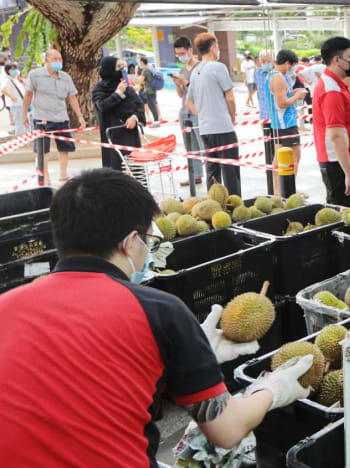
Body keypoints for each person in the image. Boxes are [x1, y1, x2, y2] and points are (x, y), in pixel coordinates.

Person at [0, 168, 314, 466]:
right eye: (150, 241)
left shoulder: (6, 306)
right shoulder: (158, 310)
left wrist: (182, 362)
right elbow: (227, 429)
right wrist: (272, 390)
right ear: (130, 242)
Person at [186, 33, 241, 196]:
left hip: (206, 129)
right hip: (223, 127)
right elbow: (230, 98)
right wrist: (232, 116)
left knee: (212, 171)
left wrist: (202, 114)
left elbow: (188, 102)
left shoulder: (196, 71)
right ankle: (234, 205)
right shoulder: (218, 67)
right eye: (216, 46)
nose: (218, 50)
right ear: (212, 48)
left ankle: (214, 205)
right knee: (230, 171)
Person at [22, 48, 85, 184]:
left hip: (62, 118)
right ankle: (45, 175)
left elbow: (72, 98)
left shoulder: (65, 77)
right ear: (46, 60)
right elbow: (28, 95)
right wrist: (24, 115)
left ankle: (63, 174)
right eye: (54, 59)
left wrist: (80, 116)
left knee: (64, 147)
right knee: (42, 150)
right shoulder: (35, 75)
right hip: (42, 119)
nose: (58, 61)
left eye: (60, 59)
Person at [313, 36, 350, 206]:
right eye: (349, 58)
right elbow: (335, 136)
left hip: (343, 159)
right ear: (337, 60)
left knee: (343, 212)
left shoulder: (336, 84)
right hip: (337, 163)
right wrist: (348, 174)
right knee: (340, 215)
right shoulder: (331, 90)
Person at [92, 57, 145, 172]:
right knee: (115, 170)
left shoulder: (127, 87)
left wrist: (135, 117)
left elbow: (139, 105)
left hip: (130, 135)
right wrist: (117, 94)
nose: (121, 70)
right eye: (118, 67)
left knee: (135, 169)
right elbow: (102, 106)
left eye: (122, 67)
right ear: (109, 69)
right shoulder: (99, 88)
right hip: (112, 134)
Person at [269, 50, 308, 194]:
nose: (293, 69)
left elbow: (281, 98)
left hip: (281, 123)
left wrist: (292, 93)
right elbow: (281, 103)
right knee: (294, 156)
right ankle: (288, 189)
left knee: (279, 158)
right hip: (285, 123)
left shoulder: (274, 76)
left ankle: (280, 190)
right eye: (292, 66)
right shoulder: (278, 78)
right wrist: (297, 96)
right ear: (287, 63)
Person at [171, 37, 204, 187]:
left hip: (197, 111)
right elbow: (180, 94)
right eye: (177, 54)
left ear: (190, 50)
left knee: (203, 143)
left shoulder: (200, 68)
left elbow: (200, 91)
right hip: (184, 111)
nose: (180, 57)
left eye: (182, 53)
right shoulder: (182, 70)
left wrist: (186, 83)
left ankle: (211, 172)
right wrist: (178, 85)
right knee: (190, 146)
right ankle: (195, 175)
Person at [1, 63, 26, 135]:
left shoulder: (15, 79)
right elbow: (2, 89)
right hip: (17, 105)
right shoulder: (8, 80)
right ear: (8, 71)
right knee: (19, 125)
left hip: (22, 104)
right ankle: (19, 141)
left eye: (16, 68)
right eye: (13, 69)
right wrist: (12, 97)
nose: (15, 70)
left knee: (24, 124)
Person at [138, 57, 160, 125]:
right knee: (153, 105)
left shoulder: (145, 70)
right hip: (153, 90)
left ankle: (156, 122)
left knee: (151, 106)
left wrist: (140, 78)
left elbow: (141, 80)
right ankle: (156, 120)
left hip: (148, 90)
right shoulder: (151, 69)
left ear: (142, 62)